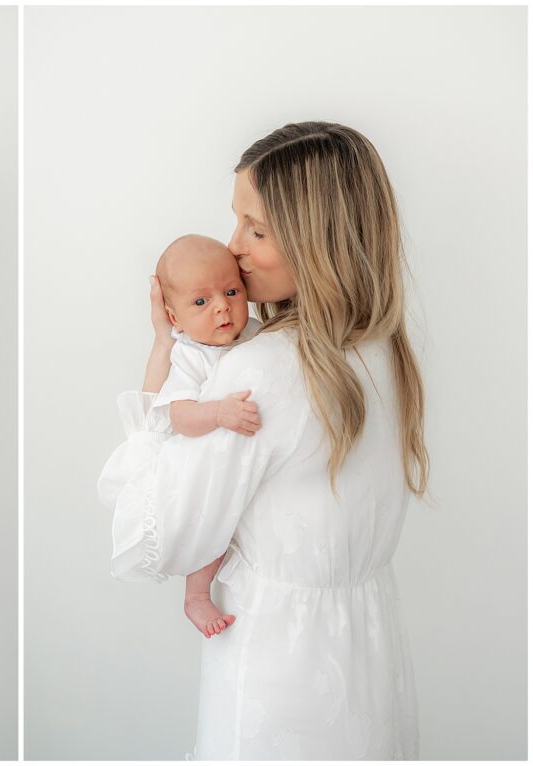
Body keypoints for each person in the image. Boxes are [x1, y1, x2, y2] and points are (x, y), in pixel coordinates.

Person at [98, 121, 427, 759]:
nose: (234, 249)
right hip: (371, 647)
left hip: (280, 664)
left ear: (319, 238)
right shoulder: (383, 350)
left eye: (257, 229)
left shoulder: (260, 370)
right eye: (236, 223)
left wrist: (153, 405)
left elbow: (151, 539)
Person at [149, 234, 262, 638]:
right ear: (174, 317)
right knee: (210, 526)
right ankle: (196, 595)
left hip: (245, 463)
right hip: (203, 464)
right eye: (201, 302)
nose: (221, 306)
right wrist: (217, 412)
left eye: (231, 291)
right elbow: (179, 416)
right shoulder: (190, 355)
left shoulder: (255, 332)